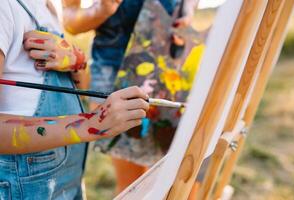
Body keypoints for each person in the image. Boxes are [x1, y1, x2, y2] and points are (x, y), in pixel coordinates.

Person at [0, 0, 148, 199]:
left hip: (67, 180)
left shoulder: (47, 7)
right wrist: (92, 124)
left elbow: (76, 90)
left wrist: (77, 62)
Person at [63, 0, 199, 195]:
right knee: (134, 188)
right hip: (115, 77)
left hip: (171, 74)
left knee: (179, 184)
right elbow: (70, 18)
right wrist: (99, 10)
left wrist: (187, 11)